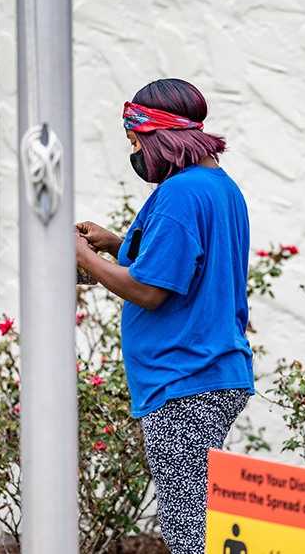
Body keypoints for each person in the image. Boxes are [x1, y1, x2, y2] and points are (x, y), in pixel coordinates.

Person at [75, 78, 253, 554]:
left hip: (186, 377)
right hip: (208, 372)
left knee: (188, 532)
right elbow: (183, 264)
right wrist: (116, 246)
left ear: (158, 135)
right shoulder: (217, 186)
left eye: (135, 142)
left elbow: (151, 290)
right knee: (195, 519)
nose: (135, 154)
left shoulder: (179, 194)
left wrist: (83, 258)